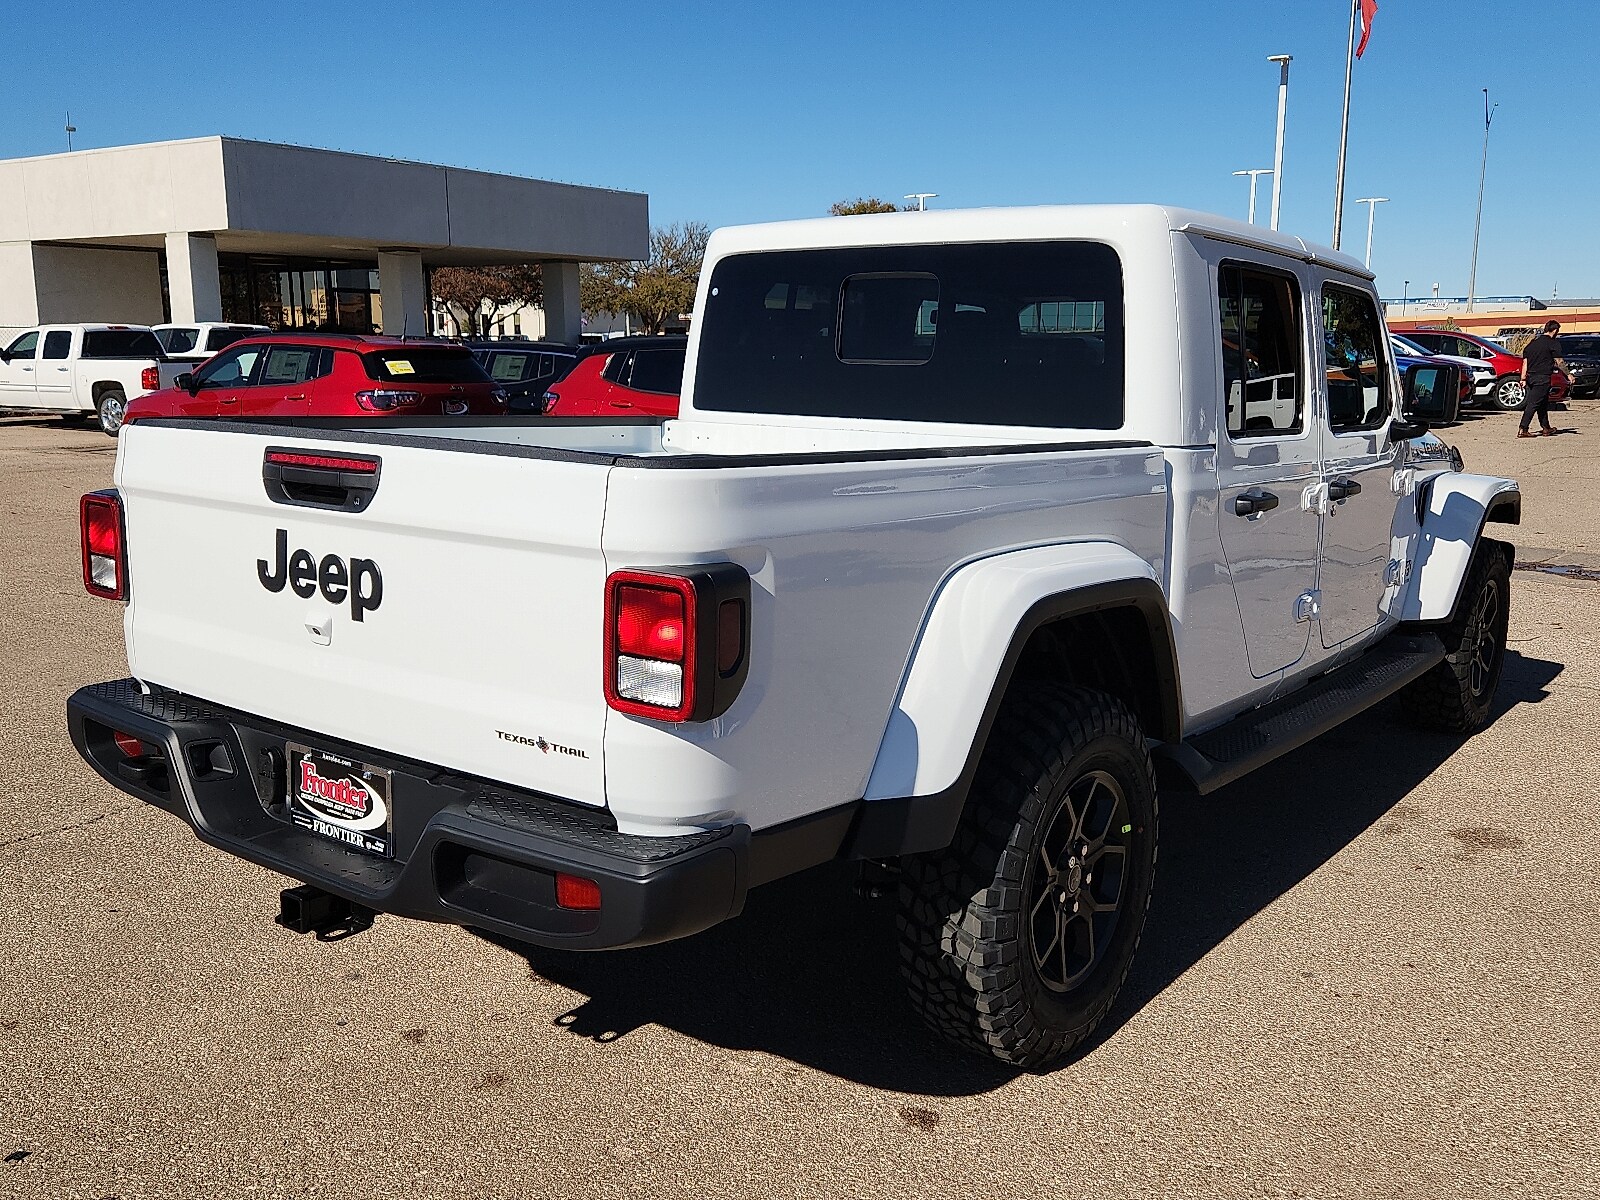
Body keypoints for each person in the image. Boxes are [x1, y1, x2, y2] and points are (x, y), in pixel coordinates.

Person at [1518, 320, 1568, 438]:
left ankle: (1546, 428)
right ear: (1555, 330)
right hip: (1543, 378)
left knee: (1542, 403)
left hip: (1531, 378)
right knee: (1533, 404)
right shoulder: (1552, 343)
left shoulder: (1532, 344)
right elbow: (1559, 361)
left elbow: (1525, 363)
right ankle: (1523, 429)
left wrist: (1523, 378)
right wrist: (1568, 375)